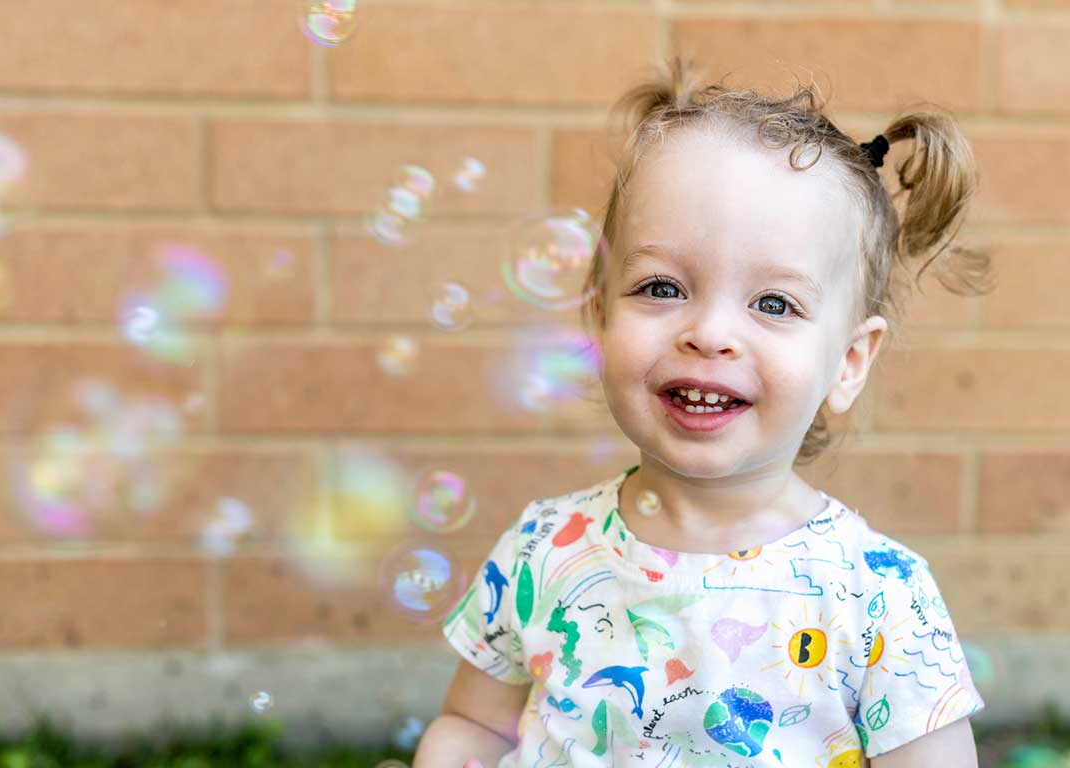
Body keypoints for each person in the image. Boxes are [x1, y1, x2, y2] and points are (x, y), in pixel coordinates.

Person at [414, 55, 996, 768]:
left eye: (773, 304)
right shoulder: (544, 551)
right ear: (599, 318)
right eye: (661, 288)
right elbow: (475, 728)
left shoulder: (876, 594)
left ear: (848, 362)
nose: (709, 333)